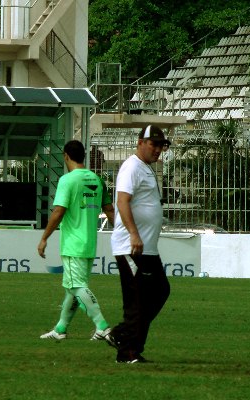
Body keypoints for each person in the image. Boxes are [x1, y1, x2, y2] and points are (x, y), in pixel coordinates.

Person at [37, 140, 115, 341]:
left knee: (77, 287)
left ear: (66, 156)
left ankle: (103, 327)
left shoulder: (67, 180)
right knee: (73, 289)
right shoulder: (97, 180)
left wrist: (44, 238)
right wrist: (123, 233)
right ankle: (60, 329)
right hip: (89, 244)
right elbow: (109, 210)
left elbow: (58, 211)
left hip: (73, 244)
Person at [106, 125, 171, 363]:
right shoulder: (131, 167)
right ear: (140, 142)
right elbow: (122, 201)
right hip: (131, 246)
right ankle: (127, 350)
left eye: (161, 145)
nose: (158, 150)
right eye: (153, 144)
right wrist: (134, 233)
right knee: (136, 300)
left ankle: (123, 337)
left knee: (160, 291)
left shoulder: (145, 168)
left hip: (146, 248)